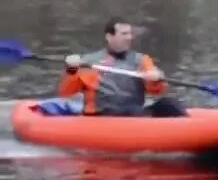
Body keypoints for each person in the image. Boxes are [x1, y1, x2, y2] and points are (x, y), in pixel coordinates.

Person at [58, 18, 188, 117]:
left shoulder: (141, 60)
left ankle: (190, 131)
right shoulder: (88, 62)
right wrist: (71, 70)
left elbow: (157, 91)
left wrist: (156, 79)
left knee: (168, 103)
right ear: (109, 37)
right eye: (124, 34)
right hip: (101, 116)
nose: (129, 38)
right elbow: (66, 92)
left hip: (133, 115)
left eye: (130, 34)